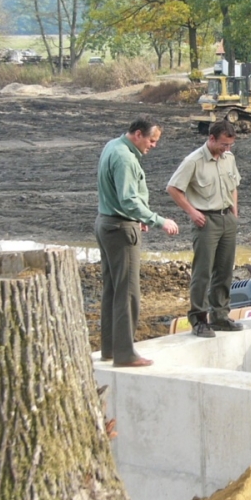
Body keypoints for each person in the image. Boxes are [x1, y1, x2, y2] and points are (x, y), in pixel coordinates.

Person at [95, 115, 179, 367]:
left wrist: (137, 215)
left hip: (107, 222)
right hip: (120, 229)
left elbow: (123, 197)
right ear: (138, 134)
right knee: (128, 292)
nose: (153, 146)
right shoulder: (125, 158)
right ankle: (125, 353)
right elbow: (128, 200)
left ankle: (110, 349)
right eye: (151, 140)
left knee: (112, 289)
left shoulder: (113, 145)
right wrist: (157, 220)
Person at [167, 120, 243, 338]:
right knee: (202, 273)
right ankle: (199, 320)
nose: (226, 149)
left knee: (224, 270)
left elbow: (234, 186)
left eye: (230, 145)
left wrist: (234, 213)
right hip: (206, 222)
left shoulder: (229, 158)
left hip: (226, 219)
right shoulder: (193, 161)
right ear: (211, 139)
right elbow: (173, 188)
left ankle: (220, 316)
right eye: (223, 145)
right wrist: (191, 212)